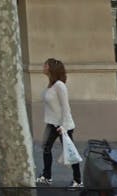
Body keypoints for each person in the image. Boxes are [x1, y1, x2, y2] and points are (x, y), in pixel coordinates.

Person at [36, 58, 82, 188]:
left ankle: (78, 180)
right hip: (52, 123)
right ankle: (47, 176)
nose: (43, 67)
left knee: (70, 151)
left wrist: (64, 126)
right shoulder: (51, 85)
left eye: (45, 65)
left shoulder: (60, 86)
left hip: (62, 125)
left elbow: (66, 107)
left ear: (51, 68)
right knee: (46, 148)